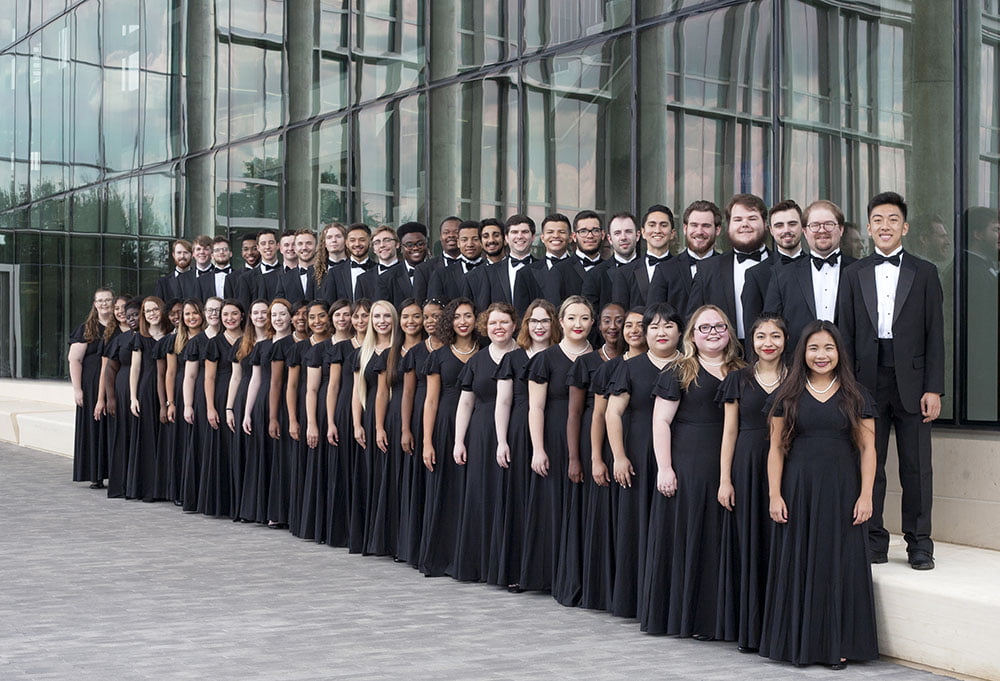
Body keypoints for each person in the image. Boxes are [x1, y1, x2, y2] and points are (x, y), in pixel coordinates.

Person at [760, 320, 878, 669]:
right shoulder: (787, 395)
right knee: (798, 563)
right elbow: (776, 449)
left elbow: (869, 449)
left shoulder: (857, 395)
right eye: (814, 348)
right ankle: (800, 642)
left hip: (843, 492)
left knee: (839, 565)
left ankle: (839, 642)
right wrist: (774, 494)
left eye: (828, 347)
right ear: (803, 353)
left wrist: (867, 495)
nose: (821, 355)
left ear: (839, 352)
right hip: (798, 491)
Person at [838, 191, 944, 570]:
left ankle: (919, 543)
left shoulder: (925, 272)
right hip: (866, 381)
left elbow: (935, 334)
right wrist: (846, 388)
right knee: (870, 461)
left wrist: (934, 387)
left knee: (917, 467)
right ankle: (872, 538)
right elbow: (844, 334)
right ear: (869, 227)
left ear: (905, 227)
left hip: (914, 383)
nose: (885, 226)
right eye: (878, 220)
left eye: (893, 219)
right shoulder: (853, 274)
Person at [642, 305, 743, 639]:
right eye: (704, 328)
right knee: (691, 537)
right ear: (692, 336)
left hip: (731, 467)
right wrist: (665, 468)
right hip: (689, 465)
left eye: (719, 326)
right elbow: (661, 421)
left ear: (729, 331)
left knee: (722, 540)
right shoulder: (679, 370)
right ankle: (693, 618)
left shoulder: (743, 371)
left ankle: (722, 618)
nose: (712, 333)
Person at [606, 303, 683, 620]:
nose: (661, 332)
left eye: (668, 326)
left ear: (680, 331)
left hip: (680, 453)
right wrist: (619, 456)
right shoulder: (631, 367)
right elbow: (612, 413)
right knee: (637, 525)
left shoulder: (689, 366)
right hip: (637, 453)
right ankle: (637, 600)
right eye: (654, 327)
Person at [716, 314, 788, 652]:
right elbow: (729, 431)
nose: (768, 342)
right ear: (751, 341)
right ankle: (750, 627)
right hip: (746, 463)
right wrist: (725, 479)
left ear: (786, 341)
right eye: (761, 336)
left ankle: (780, 625)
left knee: (780, 542)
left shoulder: (796, 380)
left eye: (775, 335)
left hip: (786, 467)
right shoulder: (737, 379)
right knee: (750, 541)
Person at [520, 296, 594, 595]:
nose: (578, 324)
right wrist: (538, 448)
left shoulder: (601, 357)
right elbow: (535, 408)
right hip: (553, 435)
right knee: (553, 505)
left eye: (585, 318)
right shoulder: (545, 360)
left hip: (588, 438)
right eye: (572, 318)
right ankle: (551, 576)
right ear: (560, 322)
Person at [494, 299, 559, 591]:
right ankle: (521, 571)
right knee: (522, 501)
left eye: (545, 321)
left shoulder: (563, 355)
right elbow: (503, 402)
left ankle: (553, 570)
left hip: (554, 433)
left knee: (550, 502)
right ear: (526, 325)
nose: (539, 326)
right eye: (534, 321)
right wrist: (501, 440)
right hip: (521, 433)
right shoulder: (513, 358)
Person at [564, 302, 625, 610]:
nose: (613, 326)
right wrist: (579, 458)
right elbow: (575, 414)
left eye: (620, 320)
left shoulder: (636, 361)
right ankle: (597, 586)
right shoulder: (586, 362)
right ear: (598, 326)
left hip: (629, 443)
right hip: (595, 441)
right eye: (607, 320)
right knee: (598, 515)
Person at [452, 302, 518, 582]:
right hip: (480, 433)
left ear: (515, 325)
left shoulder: (526, 356)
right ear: (485, 327)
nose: (498, 327)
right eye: (493, 323)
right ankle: (481, 564)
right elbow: (465, 402)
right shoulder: (477, 361)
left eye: (504, 322)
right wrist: (459, 441)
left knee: (510, 495)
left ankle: (508, 566)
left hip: (515, 431)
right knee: (483, 494)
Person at [420, 297, 479, 577]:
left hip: (479, 426)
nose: (463, 321)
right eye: (457, 317)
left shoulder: (488, 351)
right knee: (447, 490)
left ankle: (470, 558)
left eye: (468, 316)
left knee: (473, 490)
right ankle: (444, 557)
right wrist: (427, 442)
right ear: (450, 322)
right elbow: (430, 402)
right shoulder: (438, 357)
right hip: (445, 424)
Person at [764, 199, 857, 351]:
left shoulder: (859, 271)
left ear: (840, 229)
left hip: (849, 364)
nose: (822, 230)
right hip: (798, 365)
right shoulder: (782, 275)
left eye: (829, 224)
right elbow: (772, 326)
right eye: (815, 225)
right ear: (805, 232)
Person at [373, 298, 426, 560]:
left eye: (416, 316)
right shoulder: (389, 354)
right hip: (396, 420)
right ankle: (397, 543)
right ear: (398, 321)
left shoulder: (431, 351)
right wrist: (379, 427)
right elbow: (382, 393)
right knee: (397, 480)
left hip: (425, 418)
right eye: (406, 317)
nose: (411, 322)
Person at [395, 298, 444, 565]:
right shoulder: (415, 353)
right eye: (426, 317)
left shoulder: (453, 349)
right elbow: (407, 394)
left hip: (447, 420)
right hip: (419, 419)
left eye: (436, 316)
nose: (430, 321)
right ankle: (416, 548)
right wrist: (405, 429)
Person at [688, 194, 771, 343]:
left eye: (752, 218)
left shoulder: (784, 268)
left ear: (765, 224)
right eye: (738, 220)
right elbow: (693, 321)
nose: (744, 224)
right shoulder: (707, 270)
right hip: (722, 357)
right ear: (728, 226)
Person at [352, 300, 397, 554]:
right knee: (374, 476)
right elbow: (358, 392)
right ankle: (374, 537)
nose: (381, 321)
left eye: (386, 316)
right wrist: (357, 423)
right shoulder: (364, 351)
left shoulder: (400, 349)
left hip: (395, 418)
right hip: (371, 421)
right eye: (376, 316)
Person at [198, 298, 244, 517]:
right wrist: (210, 407)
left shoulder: (249, 340)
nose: (230, 318)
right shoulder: (214, 343)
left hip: (243, 397)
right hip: (220, 397)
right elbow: (209, 378)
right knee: (222, 450)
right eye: (226, 315)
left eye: (234, 314)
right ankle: (223, 504)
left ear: (242, 316)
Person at [70, 288, 115, 488]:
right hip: (90, 384)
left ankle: (112, 471)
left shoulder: (118, 326)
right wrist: (77, 389)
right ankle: (95, 474)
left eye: (108, 300)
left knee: (111, 428)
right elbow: (74, 360)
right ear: (95, 304)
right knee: (93, 427)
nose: (104, 304)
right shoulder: (86, 328)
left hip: (112, 382)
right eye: (100, 300)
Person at [296, 301, 334, 541]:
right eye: (313, 317)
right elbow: (310, 389)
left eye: (322, 316)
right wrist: (311, 423)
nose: (318, 321)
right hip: (318, 412)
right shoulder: (315, 351)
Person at [235, 300, 274, 523]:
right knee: (256, 455)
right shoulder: (246, 343)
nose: (260, 316)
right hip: (254, 399)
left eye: (264, 312)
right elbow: (242, 377)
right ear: (249, 316)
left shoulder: (275, 342)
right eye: (256, 312)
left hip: (273, 399)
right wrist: (240, 410)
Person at [164, 300, 205, 506]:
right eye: (187, 314)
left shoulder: (208, 339)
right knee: (182, 442)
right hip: (181, 394)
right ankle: (181, 491)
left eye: (195, 313)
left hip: (203, 392)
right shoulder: (175, 340)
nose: (191, 317)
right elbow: (170, 373)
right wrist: (170, 402)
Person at [128, 296, 168, 502]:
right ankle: (148, 488)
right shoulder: (140, 338)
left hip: (168, 390)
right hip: (146, 389)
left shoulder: (171, 335)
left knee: (165, 438)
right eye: (147, 311)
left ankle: (165, 487)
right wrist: (133, 397)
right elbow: (135, 368)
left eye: (155, 309)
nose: (152, 314)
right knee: (147, 439)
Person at [648, 200, 721, 314]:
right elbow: (653, 317)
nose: (699, 231)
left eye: (706, 226)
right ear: (685, 228)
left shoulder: (727, 268)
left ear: (717, 230)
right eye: (694, 225)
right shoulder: (664, 270)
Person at [742, 199, 806, 328]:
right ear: (771, 230)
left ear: (803, 226)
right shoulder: (755, 275)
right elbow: (752, 329)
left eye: (792, 224)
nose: (786, 230)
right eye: (779, 225)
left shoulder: (819, 266)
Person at [101, 297, 140, 498]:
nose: (132, 318)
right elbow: (109, 369)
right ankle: (122, 485)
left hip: (146, 394)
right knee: (123, 437)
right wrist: (110, 398)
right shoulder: (121, 340)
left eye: (136, 315)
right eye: (129, 315)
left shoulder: (153, 338)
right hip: (123, 394)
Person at [466, 215, 536, 310]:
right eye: (514, 232)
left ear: (533, 237)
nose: (519, 236)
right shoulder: (488, 273)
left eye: (525, 232)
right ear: (506, 238)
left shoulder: (545, 269)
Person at [612, 206, 674, 311]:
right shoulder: (624, 273)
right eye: (652, 225)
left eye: (663, 225)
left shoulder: (682, 269)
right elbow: (620, 314)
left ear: (672, 233)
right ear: (643, 232)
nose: (657, 230)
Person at [513, 214, 571, 313]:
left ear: (570, 237)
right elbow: (521, 314)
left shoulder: (581, 269)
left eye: (561, 232)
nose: (556, 236)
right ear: (543, 238)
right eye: (550, 232)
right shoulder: (525, 274)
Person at [544, 211, 605, 305]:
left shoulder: (612, 269)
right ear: (574, 237)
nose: (590, 236)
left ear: (603, 235)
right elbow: (553, 310)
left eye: (595, 230)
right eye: (583, 231)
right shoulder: (558, 270)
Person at [583, 213, 638, 314]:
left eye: (628, 232)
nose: (623, 237)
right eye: (617, 233)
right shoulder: (594, 275)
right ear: (609, 239)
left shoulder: (652, 269)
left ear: (638, 235)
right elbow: (590, 315)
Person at [427, 220, 485, 302]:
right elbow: (434, 309)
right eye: (464, 240)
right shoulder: (441, 275)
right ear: (458, 243)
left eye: (475, 239)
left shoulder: (492, 270)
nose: (470, 244)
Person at [376, 222, 429, 308]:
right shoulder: (386, 279)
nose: (415, 248)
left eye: (420, 244)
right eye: (409, 245)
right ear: (401, 248)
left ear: (426, 245)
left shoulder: (438, 272)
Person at [412, 216, 462, 303]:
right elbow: (419, 303)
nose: (451, 235)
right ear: (440, 237)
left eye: (456, 232)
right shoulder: (423, 270)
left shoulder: (477, 265)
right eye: (446, 232)